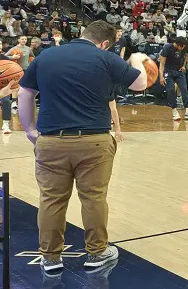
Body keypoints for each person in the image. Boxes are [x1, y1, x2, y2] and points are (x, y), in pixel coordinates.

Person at [16, 20, 150, 275]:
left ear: (83, 34)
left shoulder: (47, 55)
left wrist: (31, 130)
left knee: (51, 199)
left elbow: (25, 94)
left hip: (52, 140)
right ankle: (97, 253)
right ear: (105, 43)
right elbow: (140, 84)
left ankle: (50, 258)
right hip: (94, 141)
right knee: (94, 198)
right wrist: (137, 60)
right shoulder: (106, 58)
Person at [158, 37, 188, 121]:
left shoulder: (185, 47)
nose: (182, 49)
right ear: (178, 45)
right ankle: (174, 111)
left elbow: (186, 55)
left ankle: (187, 111)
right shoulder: (167, 48)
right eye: (181, 47)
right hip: (168, 71)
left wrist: (183, 65)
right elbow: (162, 63)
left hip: (179, 71)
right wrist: (161, 76)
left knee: (184, 89)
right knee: (171, 90)